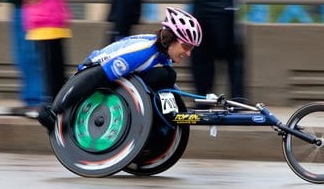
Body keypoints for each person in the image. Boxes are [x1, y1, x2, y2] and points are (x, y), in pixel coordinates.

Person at [38, 7, 202, 129]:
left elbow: (167, 90)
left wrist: (175, 117)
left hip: (113, 78)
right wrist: (56, 109)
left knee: (167, 77)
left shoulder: (162, 54)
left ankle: (158, 124)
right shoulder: (142, 52)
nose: (188, 53)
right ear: (171, 39)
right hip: (92, 72)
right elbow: (95, 76)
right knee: (166, 75)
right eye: (186, 46)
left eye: (192, 49)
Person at [13, 0, 72, 103]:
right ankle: (61, 98)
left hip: (41, 24)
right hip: (57, 21)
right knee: (58, 64)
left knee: (45, 66)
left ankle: (51, 101)